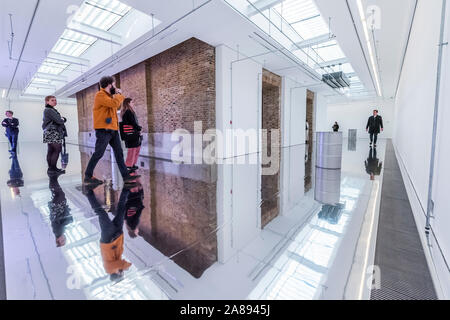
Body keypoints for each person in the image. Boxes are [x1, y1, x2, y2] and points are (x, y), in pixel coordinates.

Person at [84, 76, 140, 185]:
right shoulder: (100, 95)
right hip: (103, 130)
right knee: (98, 153)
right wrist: (118, 94)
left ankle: (126, 177)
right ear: (109, 85)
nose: (115, 86)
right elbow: (114, 104)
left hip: (113, 130)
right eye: (114, 84)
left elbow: (113, 107)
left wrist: (116, 95)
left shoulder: (110, 96)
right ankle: (87, 176)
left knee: (119, 153)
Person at [84, 184, 132, 282]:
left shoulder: (108, 269)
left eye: (121, 274)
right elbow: (121, 262)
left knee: (102, 214)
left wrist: (126, 267)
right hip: (117, 236)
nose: (122, 272)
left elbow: (122, 264)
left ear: (117, 275)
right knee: (121, 211)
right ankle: (126, 189)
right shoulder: (114, 267)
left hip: (108, 239)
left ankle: (89, 193)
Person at [42, 96, 68, 175]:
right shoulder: (49, 110)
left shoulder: (48, 110)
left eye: (55, 100)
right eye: (52, 100)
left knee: (51, 150)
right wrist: (64, 119)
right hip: (53, 131)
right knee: (57, 149)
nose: (55, 101)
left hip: (49, 131)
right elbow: (59, 120)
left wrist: (60, 119)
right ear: (47, 101)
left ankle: (51, 168)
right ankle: (52, 168)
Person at [48, 174, 73, 247]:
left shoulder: (58, 232)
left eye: (62, 240)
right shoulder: (58, 232)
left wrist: (69, 221)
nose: (64, 239)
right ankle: (53, 176)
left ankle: (53, 176)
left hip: (58, 207)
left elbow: (59, 221)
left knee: (58, 192)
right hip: (57, 207)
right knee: (57, 192)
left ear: (57, 239)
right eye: (64, 240)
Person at [120, 98, 143, 173]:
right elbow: (133, 123)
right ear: (128, 103)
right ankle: (129, 165)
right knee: (132, 150)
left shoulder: (128, 111)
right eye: (132, 102)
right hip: (132, 134)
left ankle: (132, 164)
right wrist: (139, 128)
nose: (133, 103)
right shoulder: (128, 112)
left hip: (131, 134)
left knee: (136, 148)